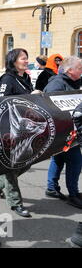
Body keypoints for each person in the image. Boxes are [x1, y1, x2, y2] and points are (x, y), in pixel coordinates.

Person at [0, 48, 33, 218]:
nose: (26, 60)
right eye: (23, 58)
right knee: (12, 165)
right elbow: (3, 102)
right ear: (14, 61)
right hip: (11, 129)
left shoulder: (26, 77)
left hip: (25, 128)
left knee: (27, 162)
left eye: (26, 58)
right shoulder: (8, 78)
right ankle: (16, 203)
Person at [44, 56, 82, 209]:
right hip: (63, 132)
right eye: (79, 67)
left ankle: (51, 187)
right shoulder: (57, 84)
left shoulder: (74, 82)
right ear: (69, 70)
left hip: (71, 130)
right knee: (76, 161)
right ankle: (73, 194)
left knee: (59, 160)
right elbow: (49, 106)